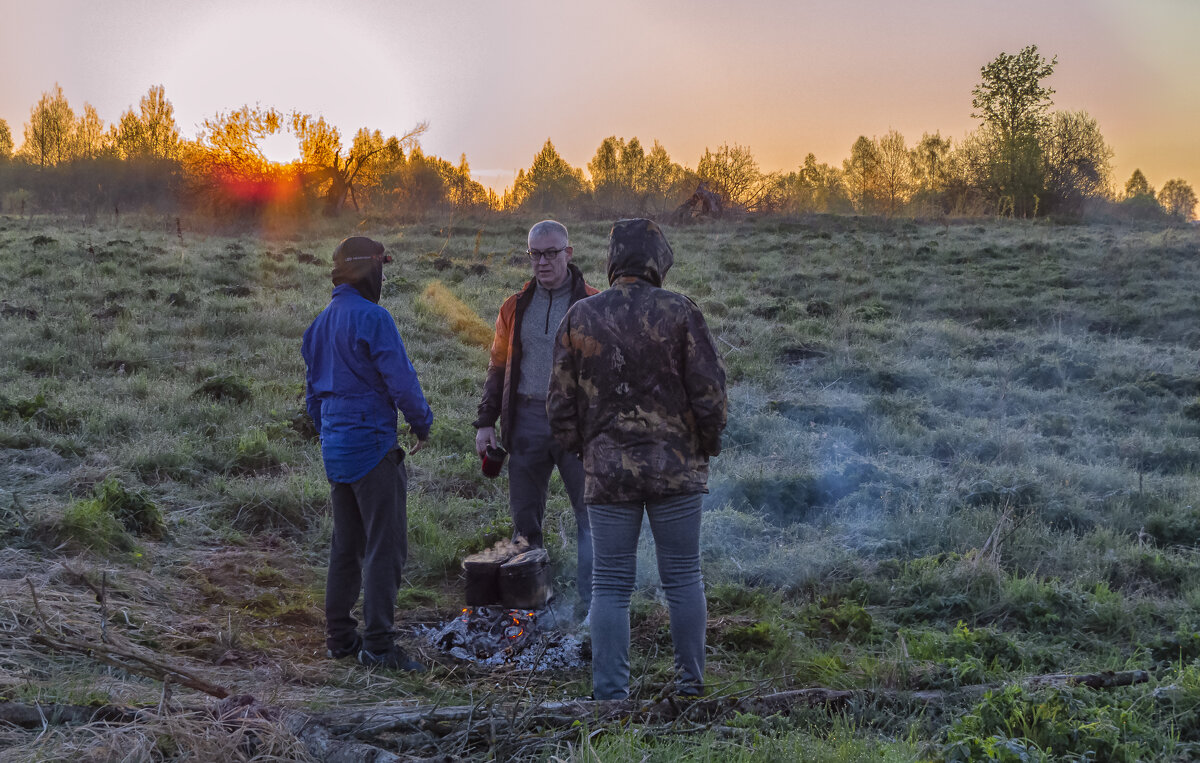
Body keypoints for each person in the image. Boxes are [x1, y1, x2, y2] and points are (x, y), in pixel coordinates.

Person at [547, 219, 727, 700]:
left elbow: (559, 405)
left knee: (610, 586)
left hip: (607, 473)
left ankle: (610, 696)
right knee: (684, 578)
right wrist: (703, 447)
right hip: (676, 470)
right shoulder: (682, 312)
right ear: (657, 260)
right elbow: (711, 393)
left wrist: (586, 451)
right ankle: (690, 687)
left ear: (613, 261)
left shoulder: (580, 316)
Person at [302, 236, 433, 672]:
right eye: (382, 266)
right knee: (385, 546)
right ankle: (378, 645)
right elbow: (401, 380)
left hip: (335, 450)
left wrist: (330, 436)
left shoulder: (319, 324)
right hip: (374, 446)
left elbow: (312, 399)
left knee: (347, 545)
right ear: (369, 269)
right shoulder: (375, 318)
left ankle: (339, 639)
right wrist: (421, 422)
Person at [473, 220, 599, 615]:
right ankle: (529, 604)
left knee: (590, 516)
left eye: (551, 253)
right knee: (525, 520)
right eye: (535, 254)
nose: (542, 262)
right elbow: (497, 366)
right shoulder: (514, 306)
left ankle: (593, 604)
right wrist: (485, 422)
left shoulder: (592, 304)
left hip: (577, 426)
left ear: (569, 253)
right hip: (525, 420)